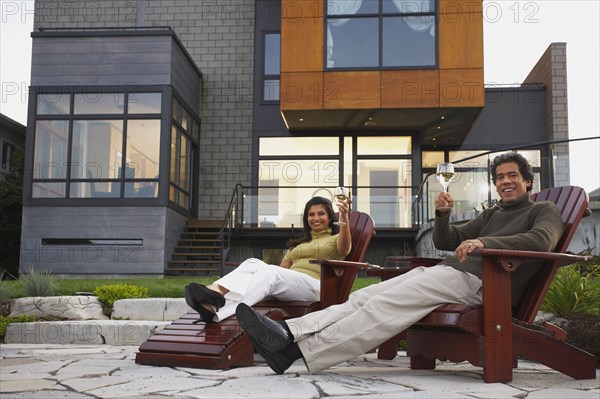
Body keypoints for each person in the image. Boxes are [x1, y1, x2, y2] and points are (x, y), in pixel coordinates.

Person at [235, 152, 565, 375]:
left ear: (528, 181)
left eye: (513, 176)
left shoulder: (543, 210)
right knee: (364, 298)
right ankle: (288, 334)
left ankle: (297, 352)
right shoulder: (493, 213)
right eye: (500, 177)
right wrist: (443, 215)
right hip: (449, 273)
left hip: (485, 284)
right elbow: (445, 241)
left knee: (384, 305)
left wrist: (485, 242)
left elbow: (541, 242)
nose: (506, 181)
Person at [184, 195, 352, 323]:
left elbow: (345, 248)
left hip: (318, 287)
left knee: (270, 272)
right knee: (253, 262)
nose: (315, 218)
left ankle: (218, 310)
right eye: (311, 214)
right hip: (293, 286)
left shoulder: (336, 239)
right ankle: (214, 292)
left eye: (321, 214)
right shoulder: (299, 244)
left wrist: (344, 217)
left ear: (330, 217)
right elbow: (282, 270)